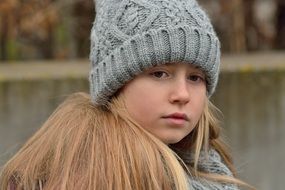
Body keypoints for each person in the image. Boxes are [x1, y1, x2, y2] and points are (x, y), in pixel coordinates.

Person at [0, 0, 254, 189]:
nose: (182, 94)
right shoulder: (83, 179)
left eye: (195, 78)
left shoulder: (207, 167)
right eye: (159, 74)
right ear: (115, 84)